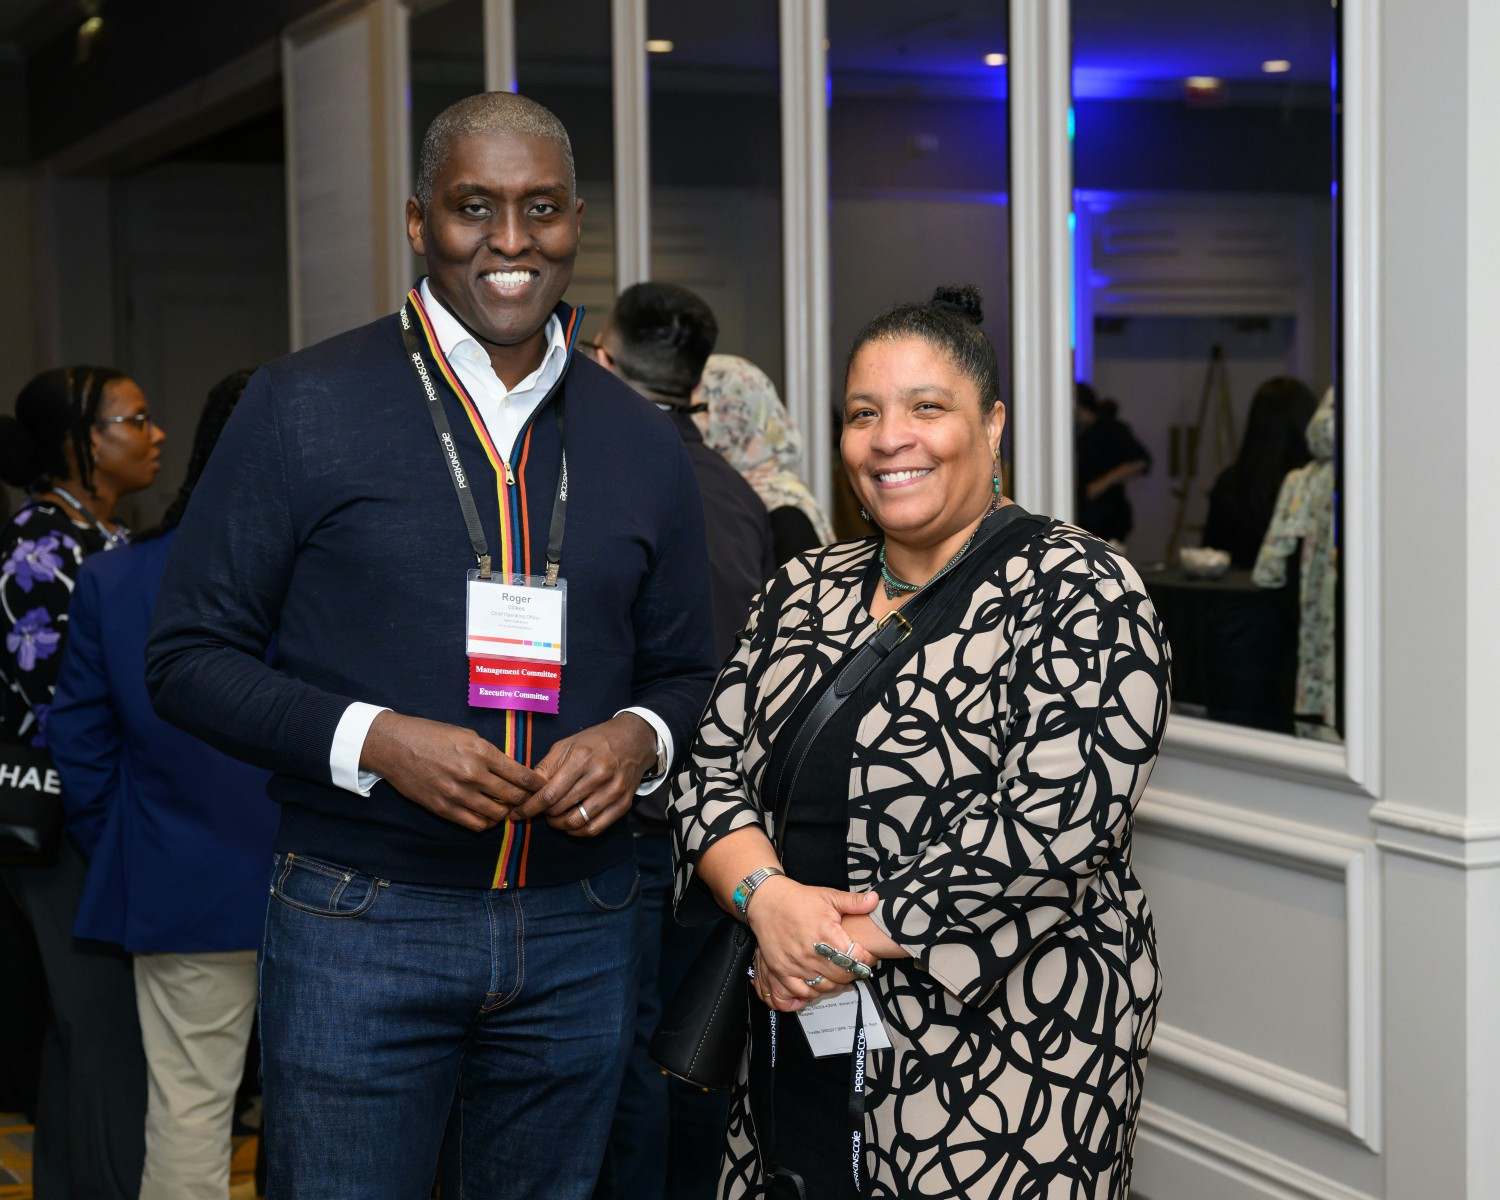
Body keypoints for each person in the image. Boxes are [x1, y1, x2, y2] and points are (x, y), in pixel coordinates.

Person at [145, 92, 718, 1199]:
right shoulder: (301, 405)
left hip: (582, 922)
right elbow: (186, 657)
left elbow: (690, 671)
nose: (511, 241)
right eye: (474, 208)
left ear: (576, 221)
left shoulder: (644, 445)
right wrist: (375, 739)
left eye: (540, 208)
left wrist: (640, 739)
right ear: (419, 222)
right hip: (363, 915)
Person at [669, 285, 1171, 1199]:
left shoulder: (1083, 588)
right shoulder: (801, 587)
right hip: (791, 1038)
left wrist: (824, 940)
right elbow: (709, 773)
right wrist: (768, 901)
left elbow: (1057, 827)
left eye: (927, 408)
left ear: (993, 424)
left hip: (1012, 1053)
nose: (889, 438)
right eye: (865, 414)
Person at [49, 370, 277, 1200]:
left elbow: (78, 744)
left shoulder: (117, 578)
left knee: (187, 1109)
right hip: (337, 879)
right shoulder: (336, 566)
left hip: (182, 875)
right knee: (337, 1113)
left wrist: (135, 835)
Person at [591, 283, 773, 1200]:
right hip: (722, 831)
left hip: (619, 821)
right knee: (696, 1052)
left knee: (619, 1058)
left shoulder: (595, 478)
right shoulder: (744, 501)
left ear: (602, 362)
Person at [0, 365, 162, 1198]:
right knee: (101, 1028)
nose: (155, 434)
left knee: (80, 1032)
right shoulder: (41, 547)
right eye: (134, 420)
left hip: (103, 816)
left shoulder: (107, 536)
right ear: (81, 443)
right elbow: (58, 706)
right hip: (64, 820)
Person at [692, 353, 835, 566]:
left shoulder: (784, 514)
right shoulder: (730, 495)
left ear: (738, 418)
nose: (694, 421)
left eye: (701, 409)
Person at [1202, 375, 1318, 568]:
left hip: (1235, 593)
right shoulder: (1313, 484)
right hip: (1295, 596)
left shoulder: (1230, 482)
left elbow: (1211, 556)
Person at [1074, 382, 1151, 551]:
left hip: (1107, 513)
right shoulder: (1078, 432)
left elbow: (1140, 461)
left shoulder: (1111, 428)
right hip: (1086, 514)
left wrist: (1102, 484)